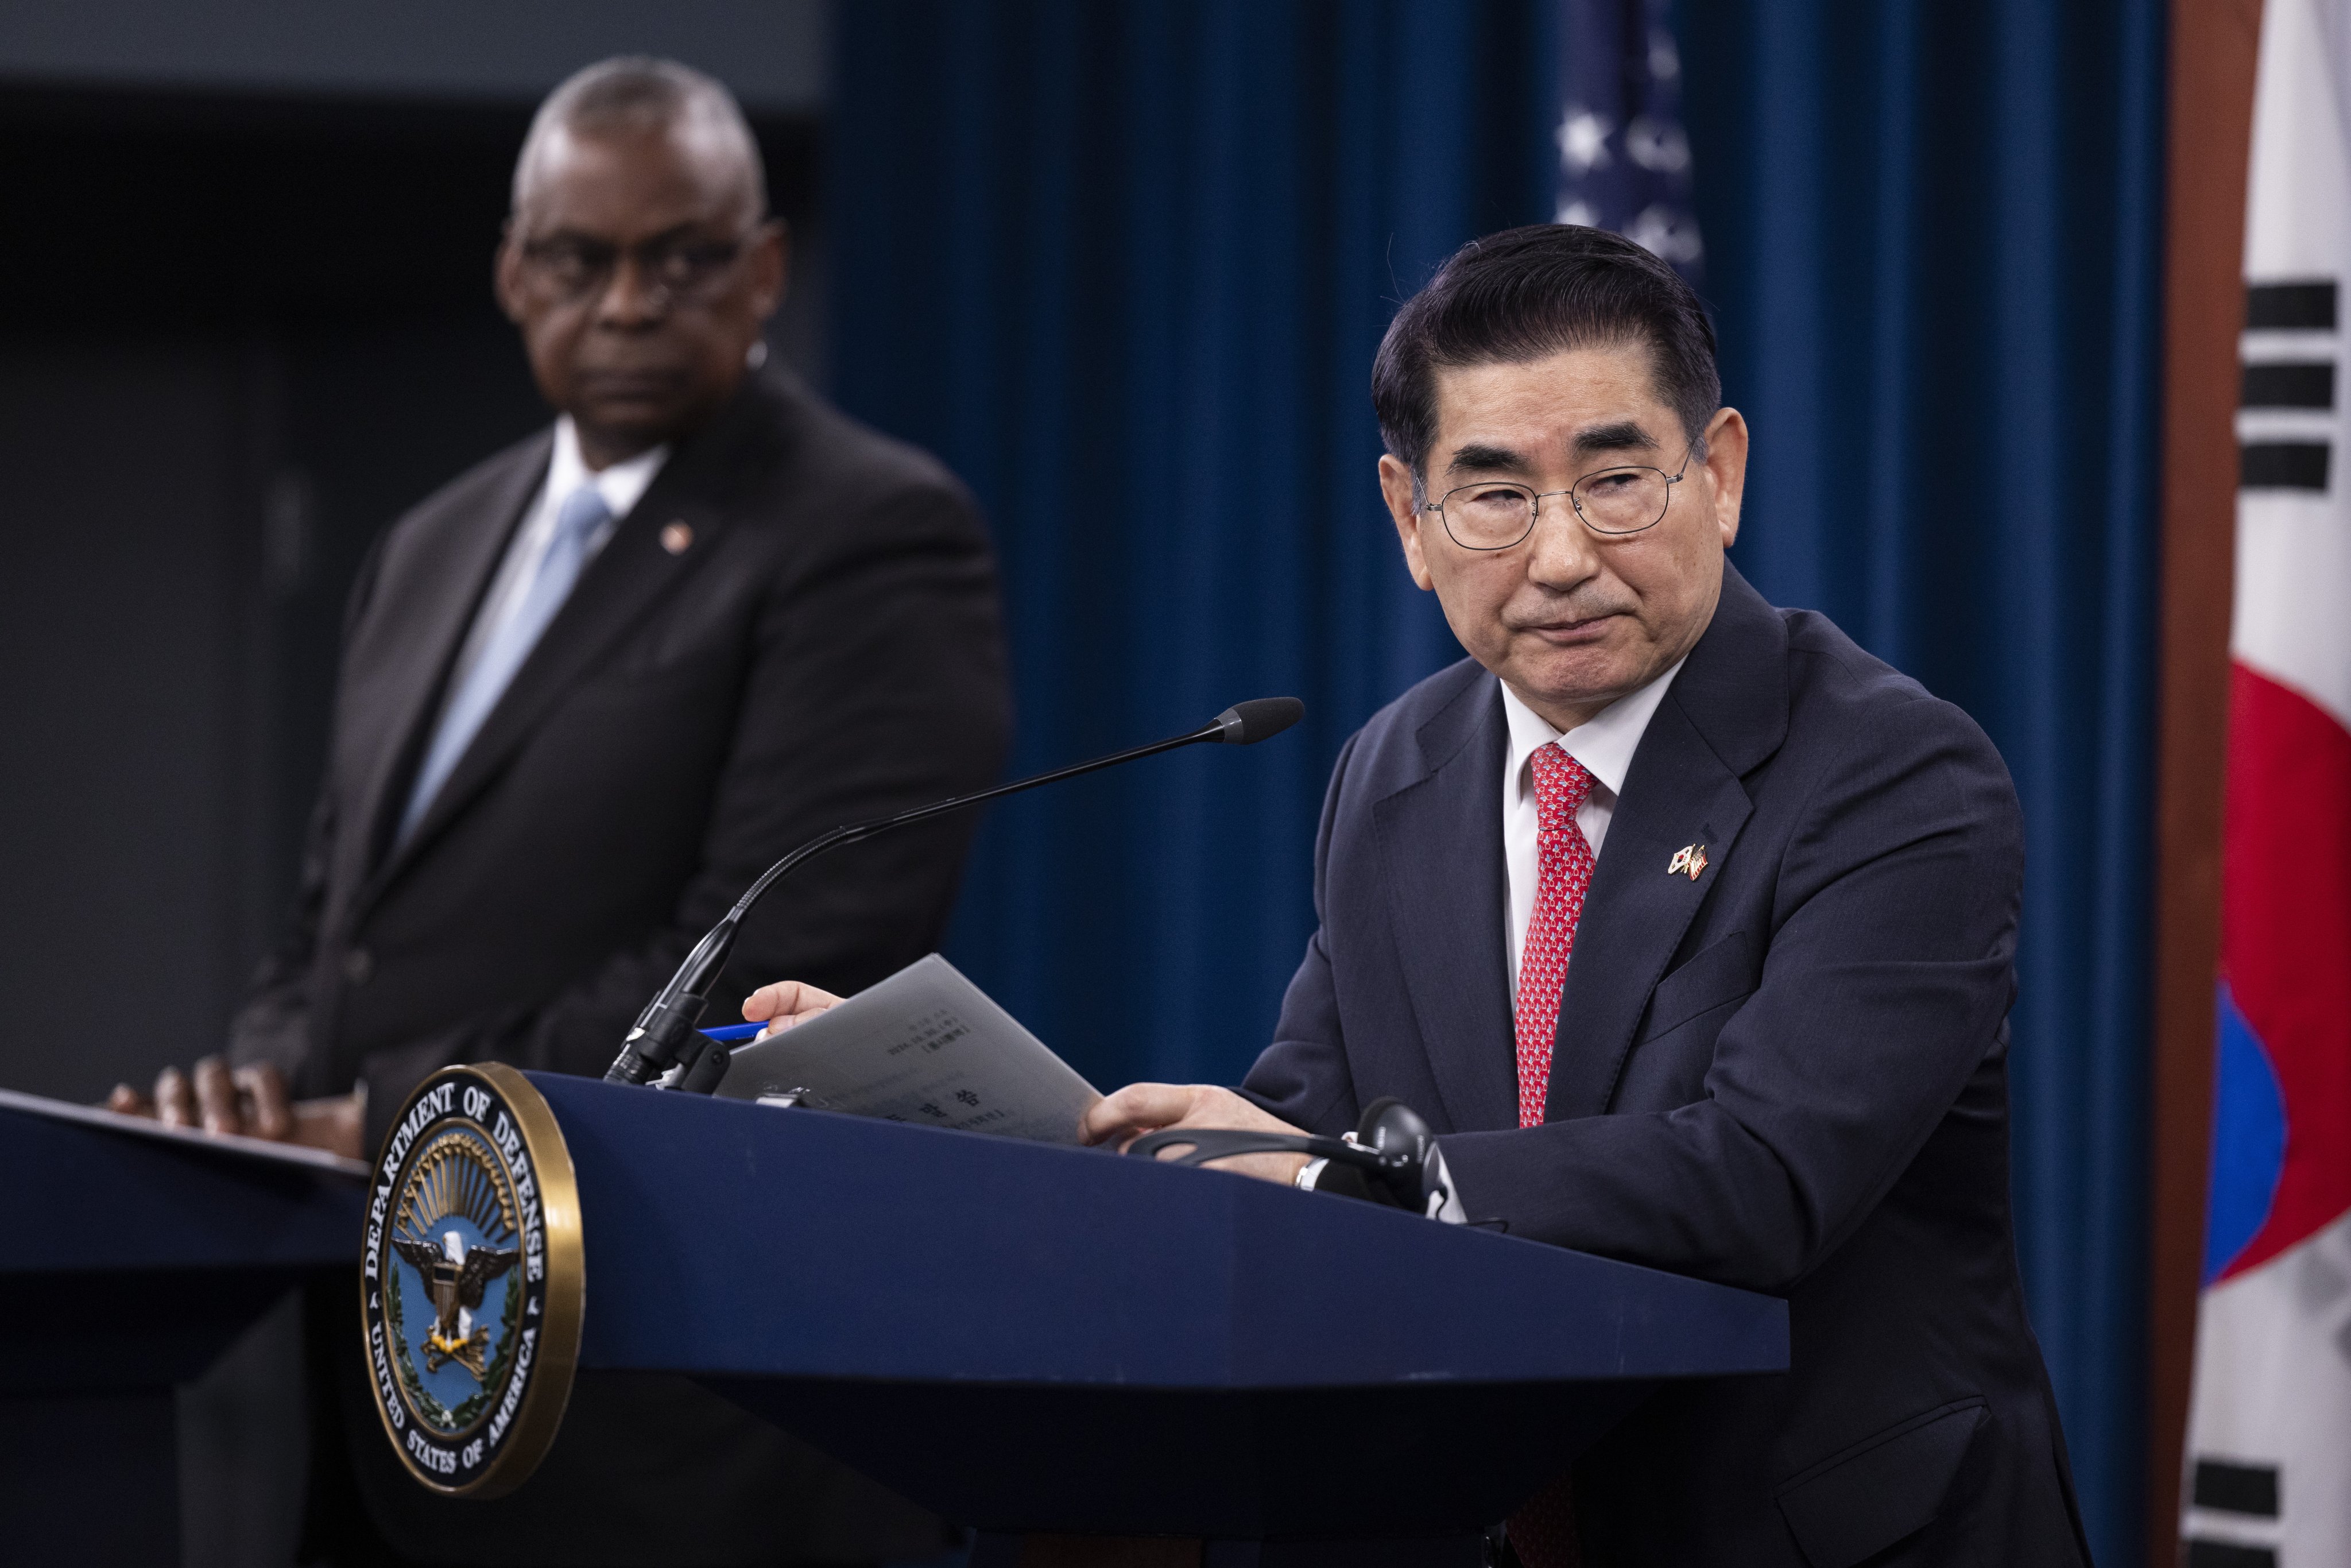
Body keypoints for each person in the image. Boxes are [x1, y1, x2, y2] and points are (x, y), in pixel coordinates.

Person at [747, 226, 2090, 1566]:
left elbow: (1761, 1176)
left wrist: (1345, 1181)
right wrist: (980, 1121)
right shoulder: (1395, 769)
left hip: (1816, 1533)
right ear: (1408, 518)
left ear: (1720, 474)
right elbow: (1295, 1130)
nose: (1562, 556)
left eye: (1617, 479)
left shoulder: (1892, 769)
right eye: (1495, 497)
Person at [113, 57, 1009, 1566]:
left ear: (766, 267)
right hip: (403, 1373)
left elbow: (759, 961)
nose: (630, 303)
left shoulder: (871, 531)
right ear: (514, 270)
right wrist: (260, 1088)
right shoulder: (429, 541)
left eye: (684, 258)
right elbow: (340, 913)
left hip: (664, 1424)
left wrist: (392, 1120)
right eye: (582, 260)